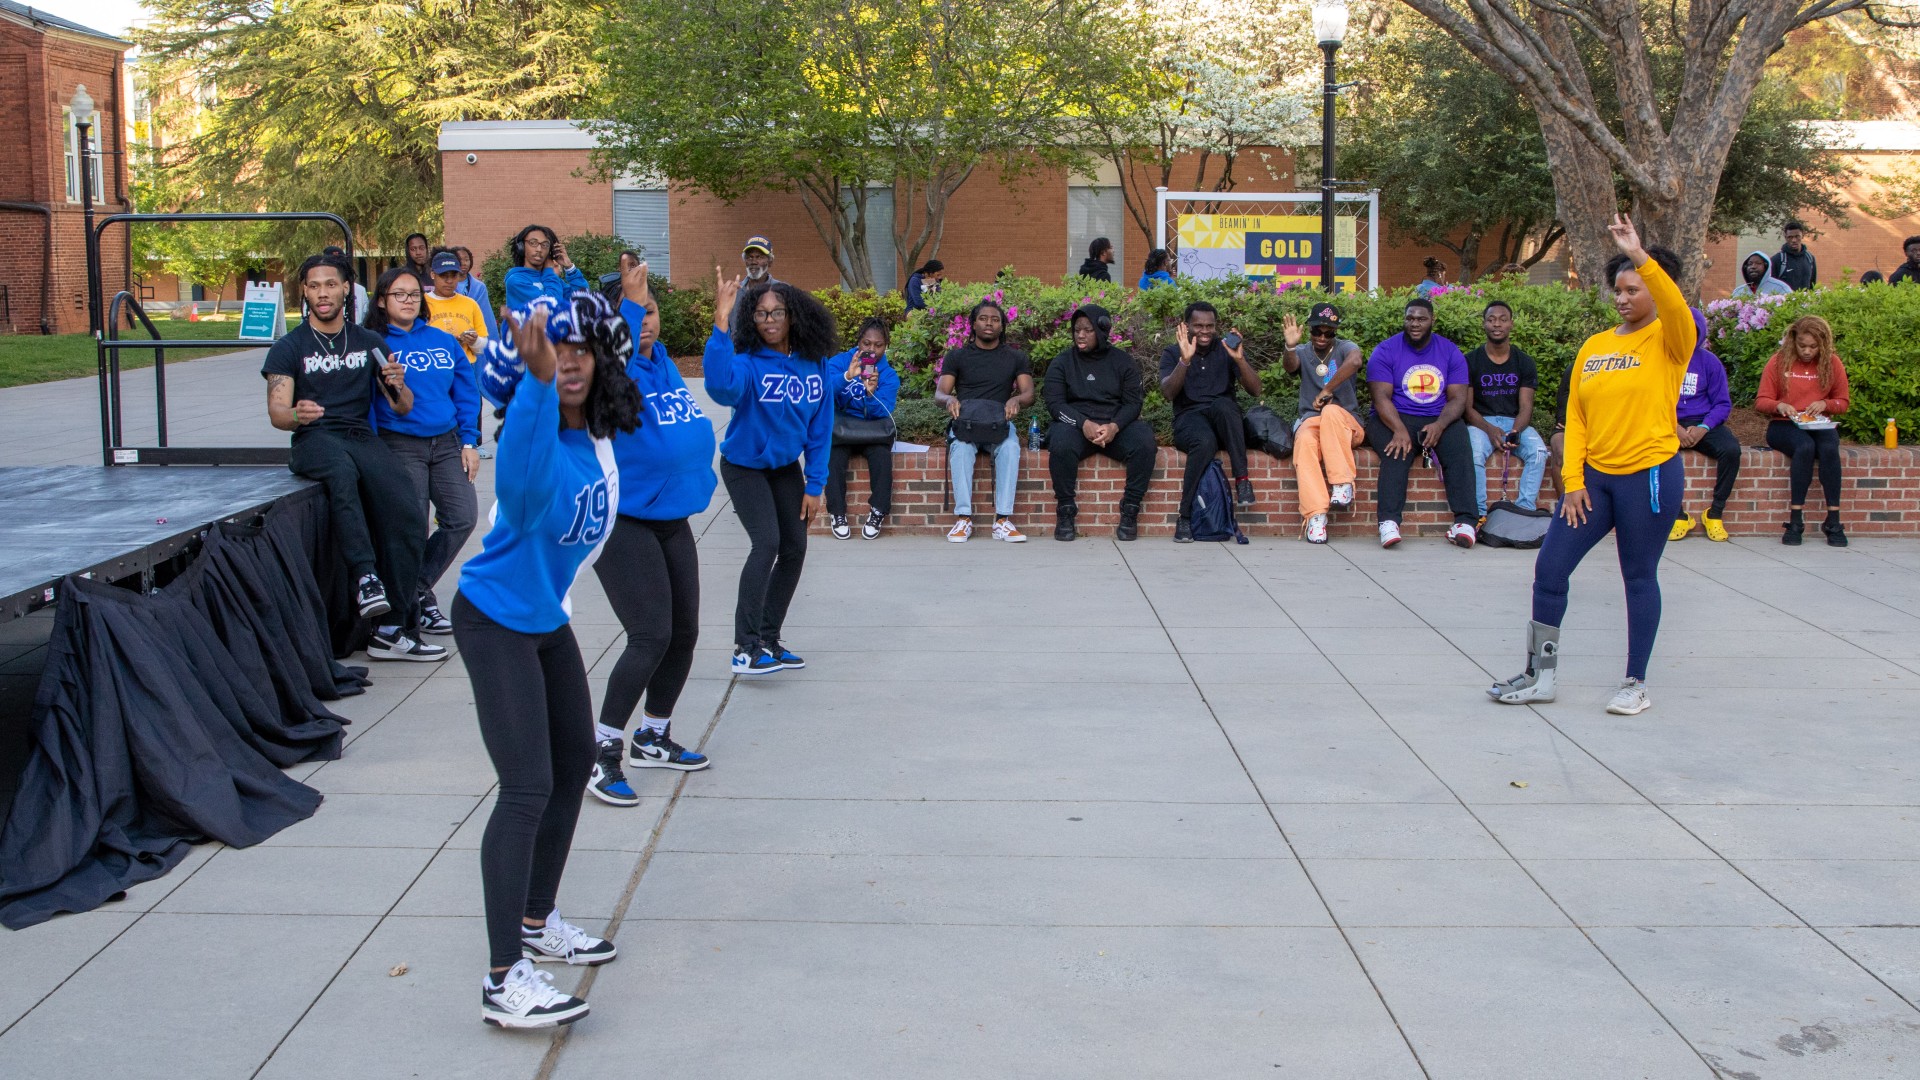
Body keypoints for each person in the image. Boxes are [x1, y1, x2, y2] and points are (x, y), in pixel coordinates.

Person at [457, 297, 640, 1029]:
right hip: (496, 620)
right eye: (554, 351)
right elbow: (521, 491)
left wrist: (637, 307)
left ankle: (538, 921)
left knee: (573, 770)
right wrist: (530, 384)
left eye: (579, 351)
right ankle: (504, 980)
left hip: (545, 622)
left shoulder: (595, 438)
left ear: (600, 363)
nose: (567, 361)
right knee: (526, 788)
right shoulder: (537, 438)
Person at [1488, 221, 1696, 717]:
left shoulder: (1672, 339)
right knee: (1550, 570)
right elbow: (1576, 419)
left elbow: (1674, 305)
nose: (1621, 298)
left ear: (1655, 287)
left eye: (1632, 289)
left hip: (1648, 477)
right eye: (1617, 290)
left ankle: (1635, 682)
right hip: (1594, 483)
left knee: (1638, 576)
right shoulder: (1596, 346)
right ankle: (1541, 674)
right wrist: (1574, 483)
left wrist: (1639, 255)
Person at [261, 251, 443, 661]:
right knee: (341, 474)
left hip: (360, 436)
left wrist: (398, 384)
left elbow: (401, 406)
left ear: (346, 288)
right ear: (304, 293)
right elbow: (277, 413)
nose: (322, 293)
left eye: (330, 284)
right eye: (313, 286)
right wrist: (295, 414)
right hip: (314, 439)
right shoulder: (289, 347)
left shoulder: (370, 342)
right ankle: (365, 577)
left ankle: (393, 629)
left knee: (407, 509)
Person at [589, 261, 720, 800]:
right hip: (623, 522)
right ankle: (601, 754)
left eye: (652, 310)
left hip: (671, 518)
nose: (646, 320)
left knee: (684, 633)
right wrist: (630, 302)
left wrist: (720, 323)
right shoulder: (603, 370)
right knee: (650, 636)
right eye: (635, 310)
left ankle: (654, 735)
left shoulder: (662, 363)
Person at [705, 269, 837, 675]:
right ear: (752, 320)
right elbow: (720, 387)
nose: (771, 320)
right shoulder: (746, 365)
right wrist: (720, 324)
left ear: (793, 315)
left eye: (778, 312)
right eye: (761, 314)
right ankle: (744, 648)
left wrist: (815, 483)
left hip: (785, 470)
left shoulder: (815, 366)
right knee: (766, 543)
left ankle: (768, 638)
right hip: (744, 467)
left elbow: (820, 428)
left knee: (795, 548)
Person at [365, 267, 480, 640]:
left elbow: (465, 393)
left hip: (446, 442)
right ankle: (413, 604)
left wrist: (469, 441)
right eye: (399, 294)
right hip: (399, 444)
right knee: (412, 528)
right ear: (382, 300)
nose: (408, 300)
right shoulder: (374, 344)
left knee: (462, 517)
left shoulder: (442, 341)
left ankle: (415, 589)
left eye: (414, 294)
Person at [1365, 297, 1478, 548]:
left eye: (1421, 319)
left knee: (1459, 446)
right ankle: (1388, 523)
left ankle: (1466, 522)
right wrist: (1399, 430)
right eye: (1410, 318)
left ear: (1432, 321)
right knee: (1396, 451)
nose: (1415, 323)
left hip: (1438, 417)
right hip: (1393, 415)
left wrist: (1440, 425)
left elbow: (1458, 399)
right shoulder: (1386, 350)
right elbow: (1380, 397)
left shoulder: (1449, 351)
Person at [1044, 304, 1155, 542]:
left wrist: (1115, 426)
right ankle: (1065, 511)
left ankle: (1130, 510)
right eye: (1077, 330)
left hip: (1114, 426)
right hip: (1076, 426)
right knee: (1060, 443)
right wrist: (1082, 423)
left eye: (1088, 329)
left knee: (1144, 441)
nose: (1080, 335)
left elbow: (1133, 404)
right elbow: (1054, 404)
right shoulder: (1062, 362)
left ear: (1102, 331)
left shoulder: (1123, 361)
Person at [937, 298, 1035, 543]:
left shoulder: (1015, 357)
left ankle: (1002, 520)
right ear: (973, 324)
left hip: (998, 423)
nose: (989, 323)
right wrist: (949, 400)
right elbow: (939, 393)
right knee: (960, 448)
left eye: (995, 319)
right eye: (983, 318)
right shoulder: (957, 356)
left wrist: (1016, 400)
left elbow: (1029, 393)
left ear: (1002, 326)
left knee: (1011, 447)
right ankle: (963, 519)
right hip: (966, 421)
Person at [1160, 301, 1258, 542]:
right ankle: (1184, 517)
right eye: (1198, 326)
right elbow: (1168, 393)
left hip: (1222, 419)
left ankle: (1243, 481)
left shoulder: (1226, 349)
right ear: (1186, 327)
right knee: (1204, 443)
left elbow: (1255, 389)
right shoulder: (1173, 352)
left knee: (1225, 405)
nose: (1204, 331)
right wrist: (1185, 360)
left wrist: (1239, 359)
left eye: (1209, 326)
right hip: (1189, 419)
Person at [1757, 314, 1851, 547]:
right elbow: (1761, 401)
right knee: (1805, 447)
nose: (1807, 351)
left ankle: (1833, 520)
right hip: (1784, 423)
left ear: (1822, 345)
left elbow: (1843, 402)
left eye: (1813, 347)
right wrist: (1779, 405)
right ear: (1793, 341)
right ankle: (1795, 520)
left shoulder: (1832, 363)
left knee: (1830, 448)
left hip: (1818, 423)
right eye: (1802, 346)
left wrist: (1826, 404)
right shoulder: (1779, 361)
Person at [1283, 303, 1365, 544]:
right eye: (1317, 331)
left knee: (1330, 411)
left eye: (1328, 332)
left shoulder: (1345, 348)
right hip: (1313, 422)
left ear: (1335, 332)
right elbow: (1290, 367)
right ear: (1309, 330)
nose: (1321, 337)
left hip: (1346, 424)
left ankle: (1342, 483)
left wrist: (1328, 389)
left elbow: (1356, 361)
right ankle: (1316, 515)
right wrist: (1290, 346)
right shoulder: (1303, 351)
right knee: (1305, 441)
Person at [1463, 301, 1550, 518]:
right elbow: (1467, 408)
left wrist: (1515, 432)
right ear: (1484, 324)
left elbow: (1526, 407)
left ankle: (1524, 510)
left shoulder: (1524, 362)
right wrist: (1490, 429)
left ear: (1511, 324)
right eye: (1491, 319)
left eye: (1503, 319)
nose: (1497, 324)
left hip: (1515, 422)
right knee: (1472, 454)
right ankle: (1480, 515)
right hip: (1480, 423)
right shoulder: (1470, 361)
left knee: (1539, 453)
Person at [827, 318, 901, 540]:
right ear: (858, 342)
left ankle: (878, 511)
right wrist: (847, 376)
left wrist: (870, 394)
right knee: (832, 456)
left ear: (885, 346)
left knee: (881, 456)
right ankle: (837, 513)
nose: (871, 350)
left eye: (878, 345)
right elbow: (822, 392)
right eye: (866, 343)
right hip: (842, 428)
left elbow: (885, 410)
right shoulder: (840, 362)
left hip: (872, 431)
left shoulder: (888, 375)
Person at [1668, 315, 1740, 543]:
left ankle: (1715, 514)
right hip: (1671, 422)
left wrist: (1704, 427)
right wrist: (1675, 427)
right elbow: (1652, 402)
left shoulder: (1710, 362)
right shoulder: (1662, 360)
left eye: (1691, 331)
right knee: (1655, 453)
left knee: (1731, 450)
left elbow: (1722, 404)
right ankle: (1678, 516)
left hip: (1703, 421)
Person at [425, 249, 490, 362]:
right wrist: (448, 343)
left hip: (465, 369)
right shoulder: (422, 304)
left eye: (454, 276)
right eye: (443, 275)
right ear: (432, 274)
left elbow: (483, 348)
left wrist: (474, 341)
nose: (449, 281)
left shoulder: (470, 304)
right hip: (434, 369)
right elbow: (414, 342)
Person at [504, 225, 588, 311]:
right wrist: (549, 271)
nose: (539, 249)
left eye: (545, 245)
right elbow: (550, 308)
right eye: (533, 243)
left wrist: (570, 268)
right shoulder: (516, 280)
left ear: (550, 251)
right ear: (521, 247)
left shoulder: (552, 279)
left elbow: (583, 300)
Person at [453, 245, 500, 337]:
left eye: (467, 260)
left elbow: (487, 316)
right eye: (459, 260)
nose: (464, 263)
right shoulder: (447, 286)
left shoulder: (479, 287)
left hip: (477, 337)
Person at [320, 245, 370, 325]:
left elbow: (366, 319)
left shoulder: (360, 290)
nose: (337, 266)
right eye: (331, 263)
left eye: (340, 262)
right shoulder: (317, 291)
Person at [1771, 220, 1817, 291]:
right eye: (1790, 237)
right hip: (1786, 301)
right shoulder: (1777, 260)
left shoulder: (1810, 258)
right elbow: (1771, 287)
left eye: (1797, 236)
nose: (1794, 240)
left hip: (1806, 301)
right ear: (1785, 237)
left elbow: (1812, 286)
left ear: (1803, 235)